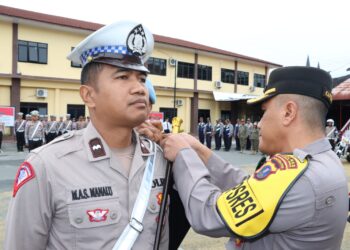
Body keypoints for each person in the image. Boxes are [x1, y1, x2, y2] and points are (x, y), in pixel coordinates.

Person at [4, 20, 169, 250]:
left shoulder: (160, 159)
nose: (139, 88)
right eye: (123, 77)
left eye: (141, 79)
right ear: (88, 95)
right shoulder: (47, 167)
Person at [161, 66, 348, 250]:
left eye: (264, 112)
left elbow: (208, 215)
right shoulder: (323, 161)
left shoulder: (302, 178)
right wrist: (199, 150)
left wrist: (184, 155)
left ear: (288, 113)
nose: (259, 124)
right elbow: (250, 189)